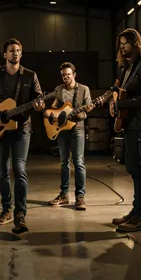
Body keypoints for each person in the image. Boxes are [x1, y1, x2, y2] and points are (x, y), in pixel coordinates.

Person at [0, 38, 45, 234]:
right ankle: (6, 209)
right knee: (3, 171)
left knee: (19, 169)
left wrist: (40, 104)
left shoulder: (31, 76)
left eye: (18, 50)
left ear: (21, 54)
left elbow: (39, 98)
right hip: (0, 130)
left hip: (22, 128)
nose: (15, 53)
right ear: (4, 54)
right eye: (11, 50)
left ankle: (20, 214)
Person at [101, 29, 141, 232]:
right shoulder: (129, 66)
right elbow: (121, 91)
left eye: (126, 43)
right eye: (120, 44)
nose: (122, 47)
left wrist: (124, 106)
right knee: (133, 167)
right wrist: (114, 100)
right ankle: (138, 210)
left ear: (136, 43)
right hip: (130, 122)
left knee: (136, 167)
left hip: (140, 122)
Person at [45, 62, 92, 210]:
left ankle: (80, 197)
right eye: (63, 75)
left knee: (78, 162)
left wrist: (81, 113)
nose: (66, 77)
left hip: (77, 129)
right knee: (63, 163)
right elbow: (52, 109)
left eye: (68, 74)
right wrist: (53, 116)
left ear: (74, 75)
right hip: (62, 130)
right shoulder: (58, 90)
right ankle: (64, 195)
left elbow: (87, 110)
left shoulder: (84, 89)